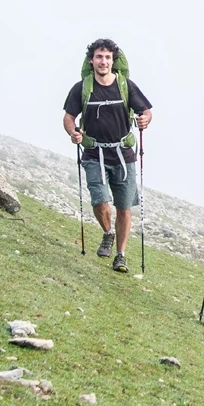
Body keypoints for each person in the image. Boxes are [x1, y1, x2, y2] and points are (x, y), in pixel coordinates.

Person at [63, 38, 152, 273]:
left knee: (124, 208)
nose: (103, 61)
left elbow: (146, 112)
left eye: (107, 57)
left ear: (114, 61)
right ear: (91, 60)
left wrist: (145, 119)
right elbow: (69, 118)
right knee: (99, 199)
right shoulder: (82, 88)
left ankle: (120, 255)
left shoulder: (126, 85)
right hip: (94, 153)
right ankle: (107, 233)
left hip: (123, 154)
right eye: (99, 57)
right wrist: (74, 133)